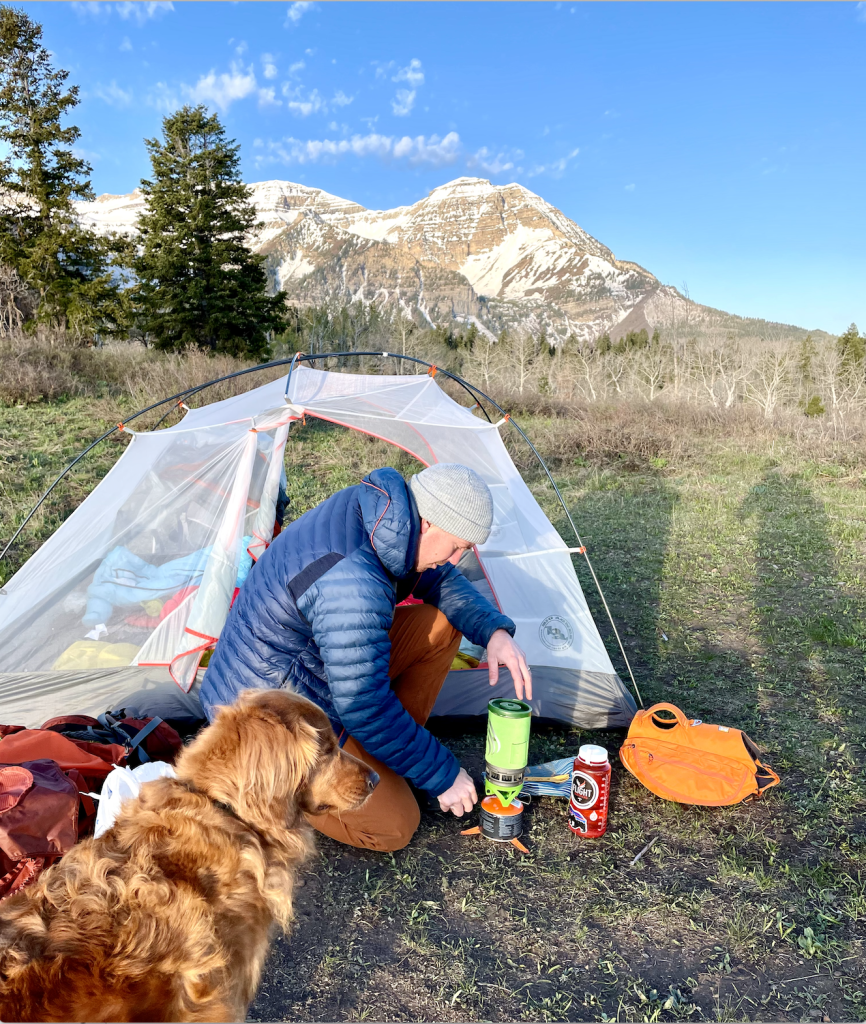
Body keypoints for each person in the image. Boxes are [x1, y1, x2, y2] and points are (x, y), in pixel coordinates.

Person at [200, 463, 532, 851]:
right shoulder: (353, 583)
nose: (456, 559)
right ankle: (276, 792)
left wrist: (493, 631)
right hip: (268, 716)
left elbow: (439, 578)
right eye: (457, 546)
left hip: (315, 669)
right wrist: (441, 774)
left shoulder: (386, 518)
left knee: (440, 626)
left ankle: (387, 755)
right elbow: (363, 703)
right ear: (427, 524)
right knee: (395, 826)